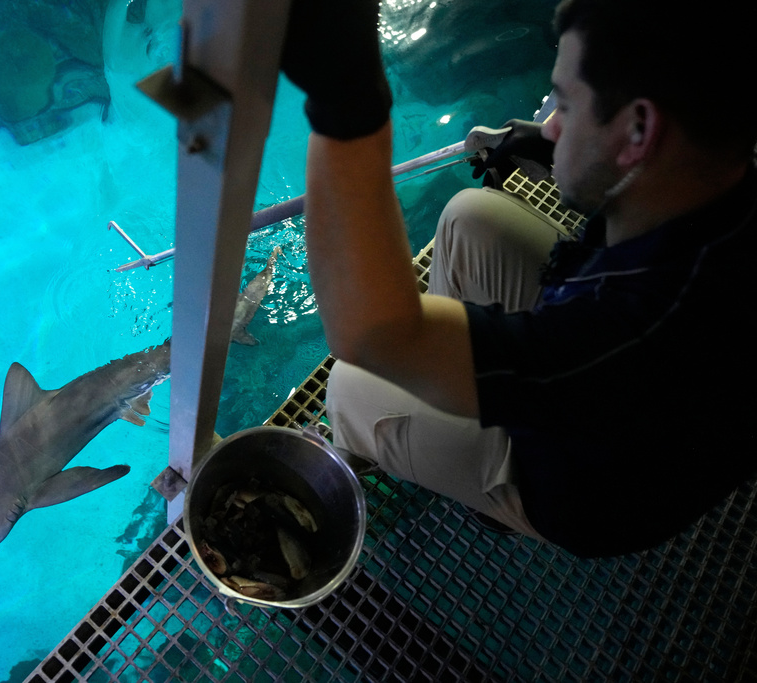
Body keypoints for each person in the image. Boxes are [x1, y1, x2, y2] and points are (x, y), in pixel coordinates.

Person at [280, 0, 757, 558]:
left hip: (584, 493)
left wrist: (346, 104)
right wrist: (564, 149)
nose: (551, 123)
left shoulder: (642, 335)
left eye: (568, 105)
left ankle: (474, 480)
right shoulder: (717, 185)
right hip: (623, 406)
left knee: (352, 386)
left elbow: (370, 334)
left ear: (639, 130)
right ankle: (454, 399)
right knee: (468, 216)